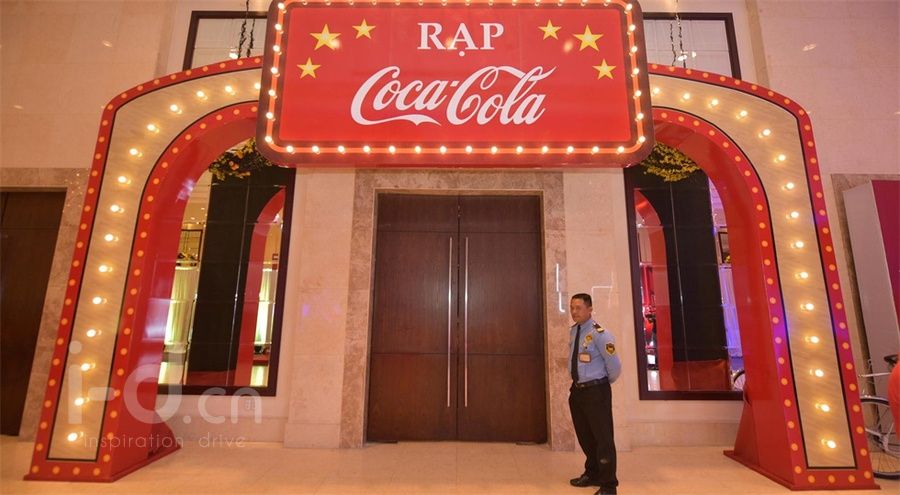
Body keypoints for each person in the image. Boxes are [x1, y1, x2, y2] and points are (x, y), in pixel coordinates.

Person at [567, 293, 622, 495]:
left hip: (596, 391)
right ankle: (592, 473)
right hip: (578, 391)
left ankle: (608, 485)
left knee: (603, 439)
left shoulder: (601, 334)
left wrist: (600, 384)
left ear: (589, 309)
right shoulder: (574, 331)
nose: (574, 312)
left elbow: (614, 366)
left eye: (578, 308)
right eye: (572, 308)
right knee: (585, 436)